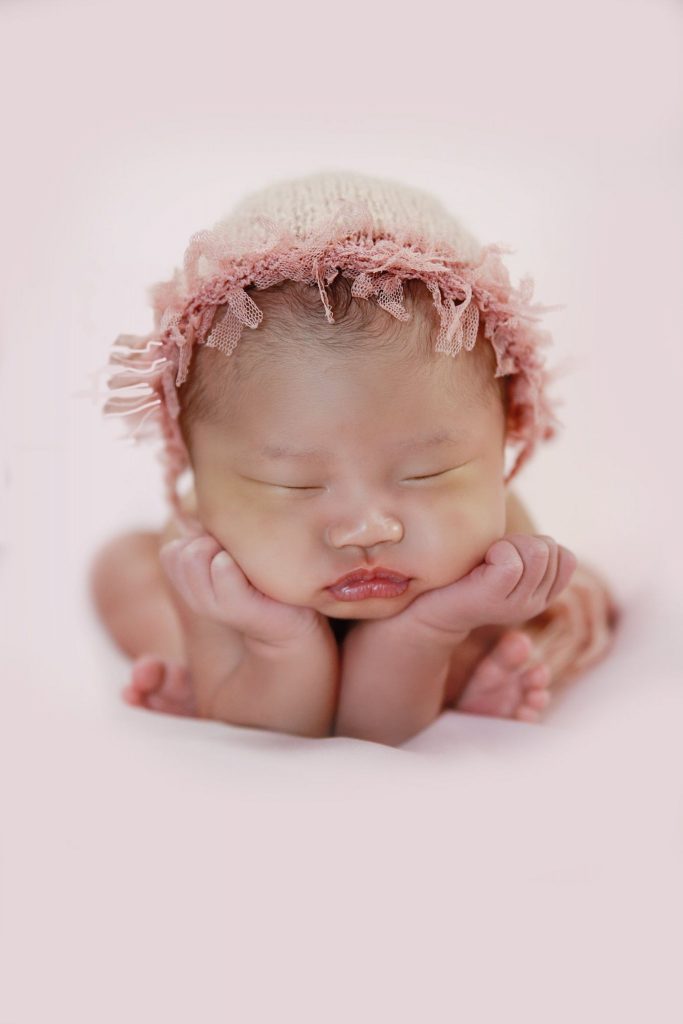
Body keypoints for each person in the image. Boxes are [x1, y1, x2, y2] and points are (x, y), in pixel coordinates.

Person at [88, 170, 620, 746]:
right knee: (125, 570)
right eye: (293, 484)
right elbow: (275, 736)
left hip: (447, 615)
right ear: (195, 470)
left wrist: (431, 628)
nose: (368, 529)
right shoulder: (212, 558)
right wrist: (277, 638)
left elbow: (371, 734)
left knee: (521, 637)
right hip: (242, 610)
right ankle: (187, 662)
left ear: (505, 439)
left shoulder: (487, 556)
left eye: (427, 474)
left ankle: (451, 678)